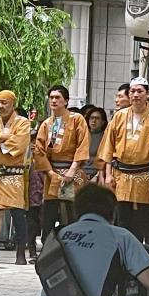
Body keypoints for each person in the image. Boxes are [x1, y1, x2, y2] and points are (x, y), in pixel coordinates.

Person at [100, 78, 149, 246]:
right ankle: (122, 255)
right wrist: (107, 174)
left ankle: (141, 257)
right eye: (132, 91)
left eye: (140, 91)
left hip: (146, 174)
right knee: (122, 218)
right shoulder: (119, 116)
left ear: (147, 94)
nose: (135, 95)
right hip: (121, 174)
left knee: (144, 219)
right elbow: (109, 146)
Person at [0, 90, 32, 265]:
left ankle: (20, 254)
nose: (0, 106)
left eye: (5, 103)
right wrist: (3, 136)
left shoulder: (23, 122)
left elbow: (20, 144)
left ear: (13, 105)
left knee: (18, 214)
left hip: (13, 174)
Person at [34, 85, 90, 243]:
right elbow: (39, 150)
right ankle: (47, 247)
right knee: (49, 212)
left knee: (72, 212)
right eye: (51, 97)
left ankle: (75, 246)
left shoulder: (77, 120)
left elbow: (82, 145)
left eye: (57, 98)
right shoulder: (46, 124)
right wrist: (50, 172)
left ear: (66, 101)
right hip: (52, 172)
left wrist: (73, 169)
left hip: (73, 171)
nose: (53, 101)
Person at [84, 107, 108, 185]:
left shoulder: (106, 137)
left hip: (97, 175)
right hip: (79, 174)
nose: (93, 121)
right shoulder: (82, 135)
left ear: (103, 122)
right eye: (91, 118)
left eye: (97, 118)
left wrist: (100, 174)